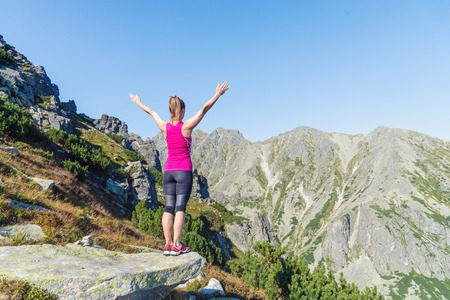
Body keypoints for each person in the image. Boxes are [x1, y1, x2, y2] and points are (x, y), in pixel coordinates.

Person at [129, 82, 229, 256]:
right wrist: (218, 94)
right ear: (182, 111)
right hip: (183, 171)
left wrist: (137, 102)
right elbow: (204, 109)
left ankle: (167, 245)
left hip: (168, 172)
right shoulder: (187, 126)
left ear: (170, 111)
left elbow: (151, 112)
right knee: (180, 208)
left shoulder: (165, 128)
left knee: (168, 208)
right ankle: (177, 244)